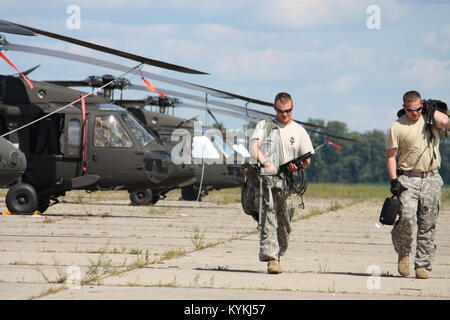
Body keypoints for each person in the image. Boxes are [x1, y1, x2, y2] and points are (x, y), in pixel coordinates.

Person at [386, 90, 449, 279]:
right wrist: (393, 181)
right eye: (411, 110)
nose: (415, 113)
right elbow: (390, 157)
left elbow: (446, 123)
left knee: (428, 223)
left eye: (418, 109)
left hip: (431, 178)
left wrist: (431, 108)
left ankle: (423, 264)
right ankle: (403, 253)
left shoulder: (431, 120)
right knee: (406, 218)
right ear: (404, 108)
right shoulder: (396, 127)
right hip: (407, 178)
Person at [249, 92, 314, 274]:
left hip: (288, 181)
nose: (284, 114)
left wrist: (297, 166)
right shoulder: (264, 126)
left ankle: (279, 251)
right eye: (280, 111)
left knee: (284, 220)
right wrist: (266, 163)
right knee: (268, 216)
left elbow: (307, 161)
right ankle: (272, 258)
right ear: (274, 109)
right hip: (267, 180)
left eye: (288, 111)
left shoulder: (299, 131)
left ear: (292, 108)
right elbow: (254, 148)